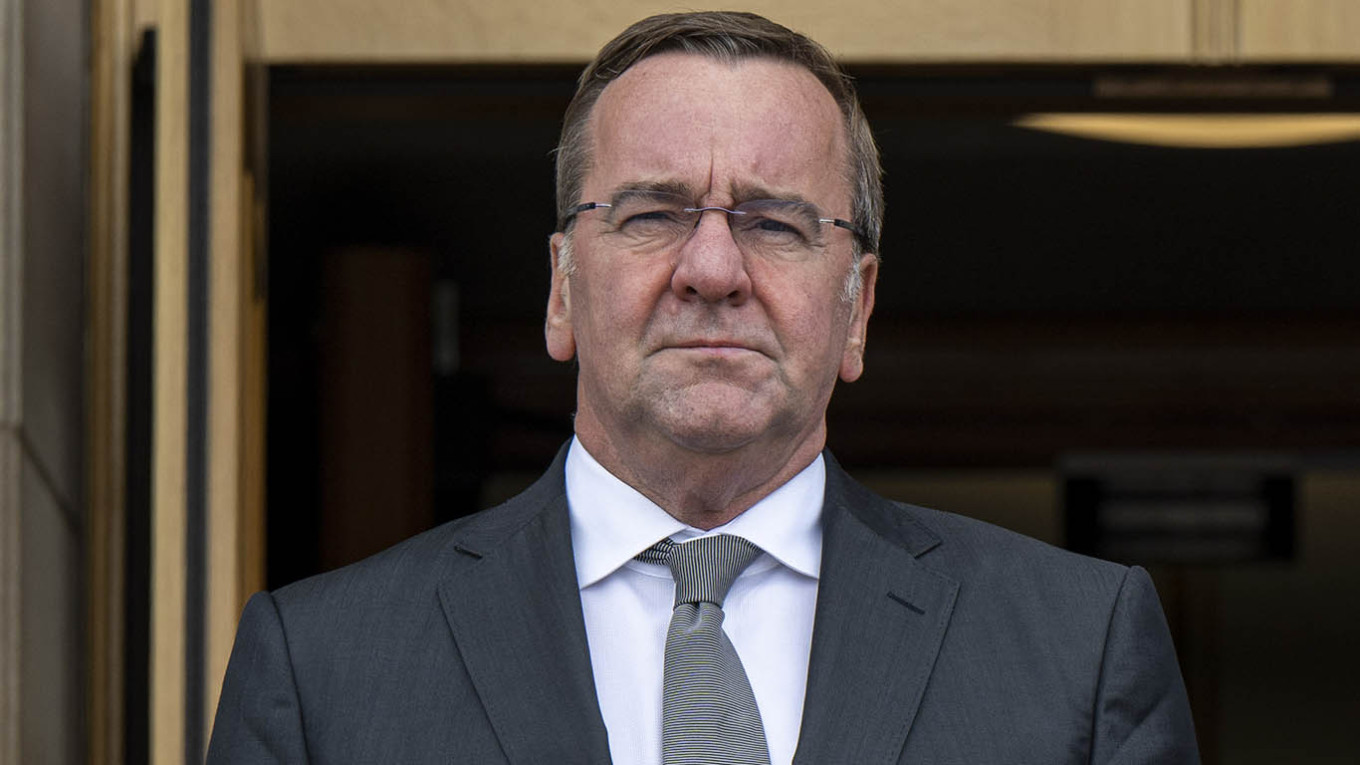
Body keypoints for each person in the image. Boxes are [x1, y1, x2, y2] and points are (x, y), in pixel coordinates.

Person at [208, 11, 1199, 764]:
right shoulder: (322, 669)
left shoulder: (1076, 650)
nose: (713, 270)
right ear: (561, 288)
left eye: (776, 223)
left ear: (857, 307)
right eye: (652, 214)